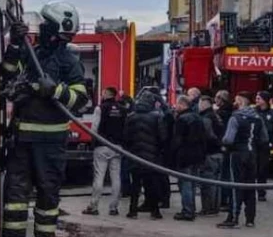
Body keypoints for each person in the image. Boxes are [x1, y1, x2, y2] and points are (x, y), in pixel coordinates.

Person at [0, 1, 89, 237]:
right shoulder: (31, 53)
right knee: (16, 193)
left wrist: (55, 90)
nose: (43, 29)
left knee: (48, 193)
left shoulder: (69, 61)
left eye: (47, 25)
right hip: (23, 138)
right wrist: (15, 44)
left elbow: (81, 99)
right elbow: (6, 74)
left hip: (52, 141)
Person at [219, 92, 267, 229]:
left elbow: (228, 139)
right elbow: (264, 139)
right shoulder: (258, 118)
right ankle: (250, 219)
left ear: (240, 101)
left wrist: (224, 143)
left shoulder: (236, 118)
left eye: (235, 100)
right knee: (251, 186)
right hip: (253, 154)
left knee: (236, 186)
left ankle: (233, 218)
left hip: (238, 154)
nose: (234, 102)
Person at [122, 90, 168, 220]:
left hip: (135, 155)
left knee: (135, 184)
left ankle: (132, 211)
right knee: (151, 184)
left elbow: (125, 137)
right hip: (151, 156)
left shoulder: (131, 116)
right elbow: (162, 137)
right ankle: (155, 211)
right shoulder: (157, 116)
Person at [84, 87, 127, 216]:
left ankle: (93, 206)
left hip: (102, 146)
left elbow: (95, 128)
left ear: (107, 94)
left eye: (103, 92)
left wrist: (93, 143)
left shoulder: (100, 108)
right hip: (117, 147)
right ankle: (113, 208)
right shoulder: (123, 109)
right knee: (116, 177)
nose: (101, 94)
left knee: (99, 176)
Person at [170, 95, 208, 221]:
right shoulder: (198, 117)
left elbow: (177, 140)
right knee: (192, 183)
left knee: (185, 183)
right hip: (197, 155)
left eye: (177, 104)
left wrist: (172, 154)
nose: (175, 107)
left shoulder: (181, 119)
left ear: (182, 105)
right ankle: (191, 208)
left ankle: (187, 211)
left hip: (185, 155)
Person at [254, 91, 273, 202]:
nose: (257, 100)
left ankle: (261, 193)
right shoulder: (253, 112)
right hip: (253, 145)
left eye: (259, 98)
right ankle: (248, 192)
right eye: (256, 98)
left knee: (262, 170)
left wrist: (272, 144)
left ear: (265, 100)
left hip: (265, 146)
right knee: (251, 170)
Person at [198, 95, 224, 217]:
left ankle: (208, 208)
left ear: (204, 104)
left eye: (200, 103)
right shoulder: (216, 116)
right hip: (219, 153)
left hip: (209, 153)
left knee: (207, 183)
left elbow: (208, 135)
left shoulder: (206, 117)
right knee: (217, 182)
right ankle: (215, 208)